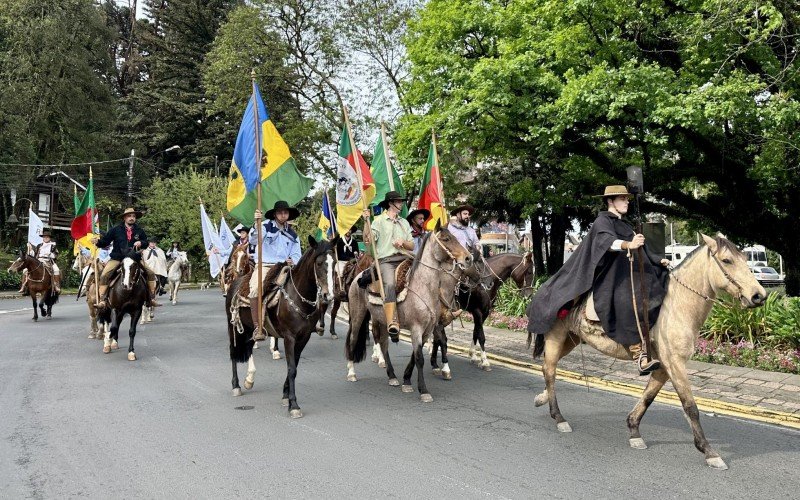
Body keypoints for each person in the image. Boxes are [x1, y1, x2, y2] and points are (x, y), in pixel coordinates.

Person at [525, 185, 669, 375]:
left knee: (663, 280)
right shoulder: (602, 222)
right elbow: (606, 242)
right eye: (622, 198)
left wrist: (660, 260)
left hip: (630, 272)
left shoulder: (626, 225)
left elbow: (644, 249)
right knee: (625, 299)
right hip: (611, 275)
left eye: (627, 199)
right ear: (610, 201)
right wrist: (628, 244)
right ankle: (638, 353)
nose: (626, 202)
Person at [362, 190, 414, 340]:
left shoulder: (404, 222)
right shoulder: (378, 221)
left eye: (401, 201)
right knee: (390, 284)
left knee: (426, 269)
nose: (401, 204)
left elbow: (411, 245)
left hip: (405, 257)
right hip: (386, 260)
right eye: (398, 202)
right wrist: (366, 222)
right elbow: (368, 240)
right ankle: (392, 321)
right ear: (391, 204)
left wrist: (403, 242)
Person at [248, 200, 302, 340]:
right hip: (265, 265)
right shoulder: (265, 226)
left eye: (285, 212)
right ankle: (257, 327)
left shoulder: (293, 234)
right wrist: (256, 224)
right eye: (280, 212)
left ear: (289, 215)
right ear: (275, 214)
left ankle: (308, 320)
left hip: (284, 267)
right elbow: (254, 241)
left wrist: (292, 260)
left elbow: (297, 254)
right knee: (254, 288)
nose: (283, 215)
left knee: (302, 286)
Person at [92, 207, 161, 309]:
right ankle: (102, 300)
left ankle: (151, 298)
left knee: (150, 273)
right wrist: (97, 242)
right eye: (129, 216)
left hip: (135, 258)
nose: (132, 218)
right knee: (104, 275)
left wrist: (141, 242)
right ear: (124, 218)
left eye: (133, 216)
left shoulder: (140, 230)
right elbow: (105, 242)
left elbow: (146, 243)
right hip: (117, 258)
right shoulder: (115, 229)